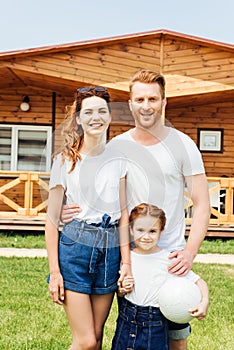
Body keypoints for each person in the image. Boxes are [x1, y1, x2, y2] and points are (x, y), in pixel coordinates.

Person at [60, 70, 211, 350]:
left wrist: (189, 254)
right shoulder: (117, 147)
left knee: (176, 340)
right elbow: (92, 192)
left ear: (164, 102)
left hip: (171, 259)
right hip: (126, 257)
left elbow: (203, 205)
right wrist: (62, 211)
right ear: (130, 104)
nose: (146, 105)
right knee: (117, 333)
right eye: (139, 98)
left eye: (153, 98)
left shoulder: (183, 145)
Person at [45, 86, 132, 350]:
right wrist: (54, 272)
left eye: (102, 111)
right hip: (75, 248)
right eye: (89, 112)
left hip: (110, 249)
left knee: (96, 337)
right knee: (84, 341)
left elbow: (124, 214)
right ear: (79, 118)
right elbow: (51, 220)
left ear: (109, 116)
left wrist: (126, 263)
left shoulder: (120, 158)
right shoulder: (65, 161)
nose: (97, 117)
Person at [111, 203, 209, 350]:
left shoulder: (168, 259)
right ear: (131, 230)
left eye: (152, 231)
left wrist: (204, 302)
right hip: (126, 321)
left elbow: (199, 282)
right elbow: (120, 290)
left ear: (161, 231)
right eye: (140, 230)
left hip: (155, 326)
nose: (146, 236)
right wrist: (123, 289)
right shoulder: (127, 259)